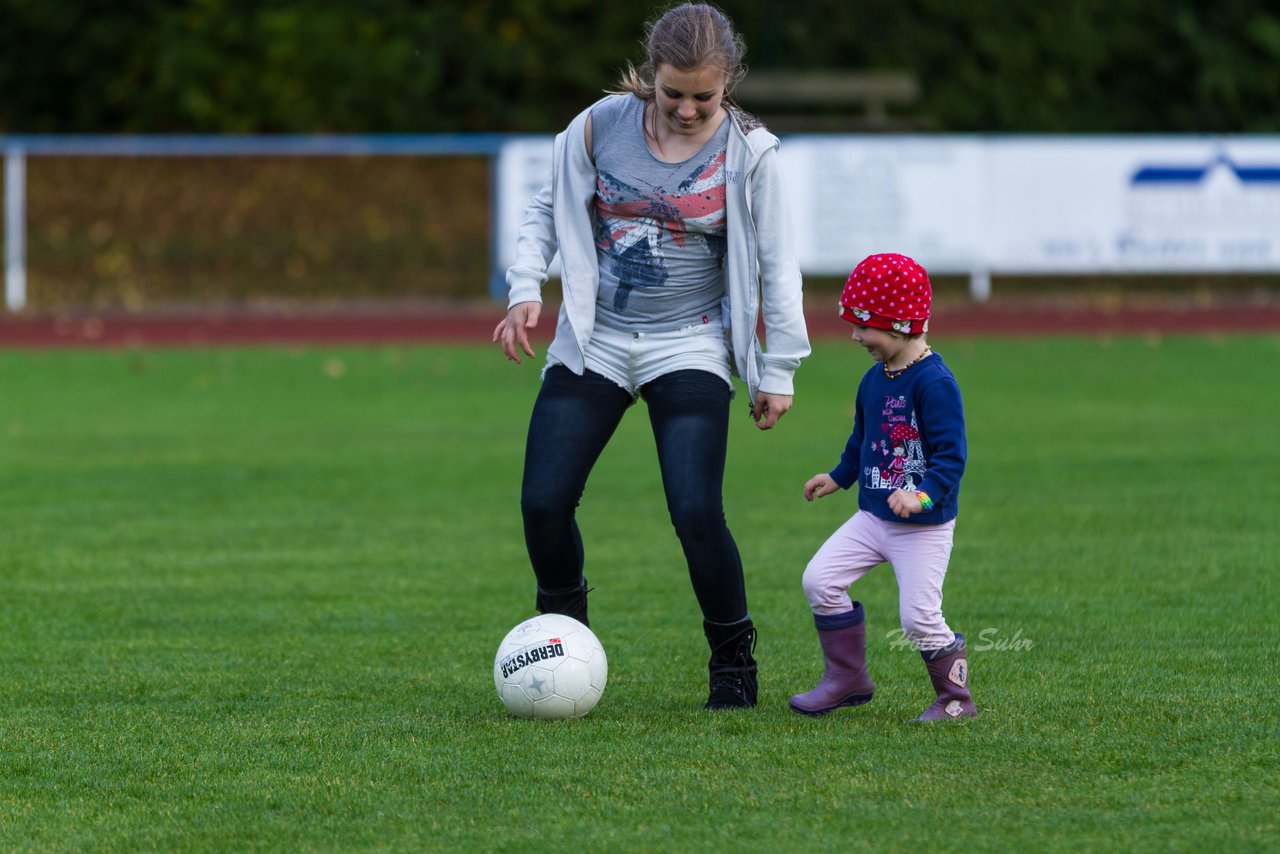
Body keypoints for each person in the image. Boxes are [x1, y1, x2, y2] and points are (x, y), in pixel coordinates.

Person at [493, 2, 809, 710]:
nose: (689, 109)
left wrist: (777, 367)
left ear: (728, 83)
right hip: (595, 340)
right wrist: (524, 290)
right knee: (543, 504)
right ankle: (562, 641)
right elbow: (545, 210)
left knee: (696, 509)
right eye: (674, 93)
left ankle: (733, 662)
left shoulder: (750, 153)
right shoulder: (599, 124)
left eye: (706, 96)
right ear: (649, 76)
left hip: (690, 343)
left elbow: (777, 265)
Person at [790, 253, 976, 721]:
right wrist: (838, 476)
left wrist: (922, 495)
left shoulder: (935, 383)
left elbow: (951, 458)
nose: (855, 336)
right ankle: (848, 679)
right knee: (820, 580)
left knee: (919, 620)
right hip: (873, 517)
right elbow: (863, 439)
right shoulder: (875, 379)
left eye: (863, 326)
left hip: (923, 527)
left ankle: (956, 701)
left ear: (899, 325)